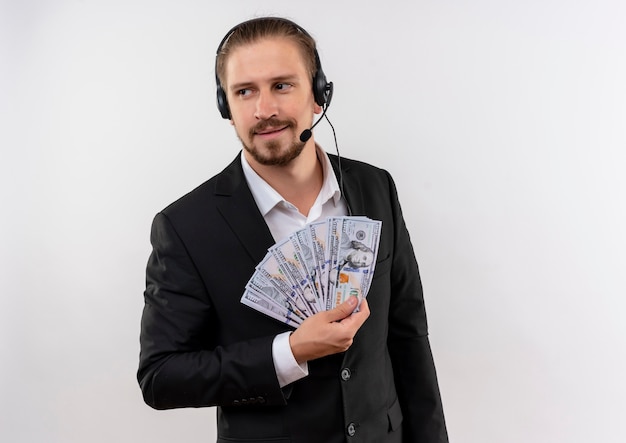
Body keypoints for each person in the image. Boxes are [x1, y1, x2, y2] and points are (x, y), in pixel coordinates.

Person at [138, 16, 448, 443]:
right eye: (244, 91)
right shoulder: (185, 227)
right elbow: (161, 376)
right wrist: (291, 351)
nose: (264, 110)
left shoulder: (376, 188)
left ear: (320, 96)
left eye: (282, 85)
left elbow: (409, 336)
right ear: (226, 107)